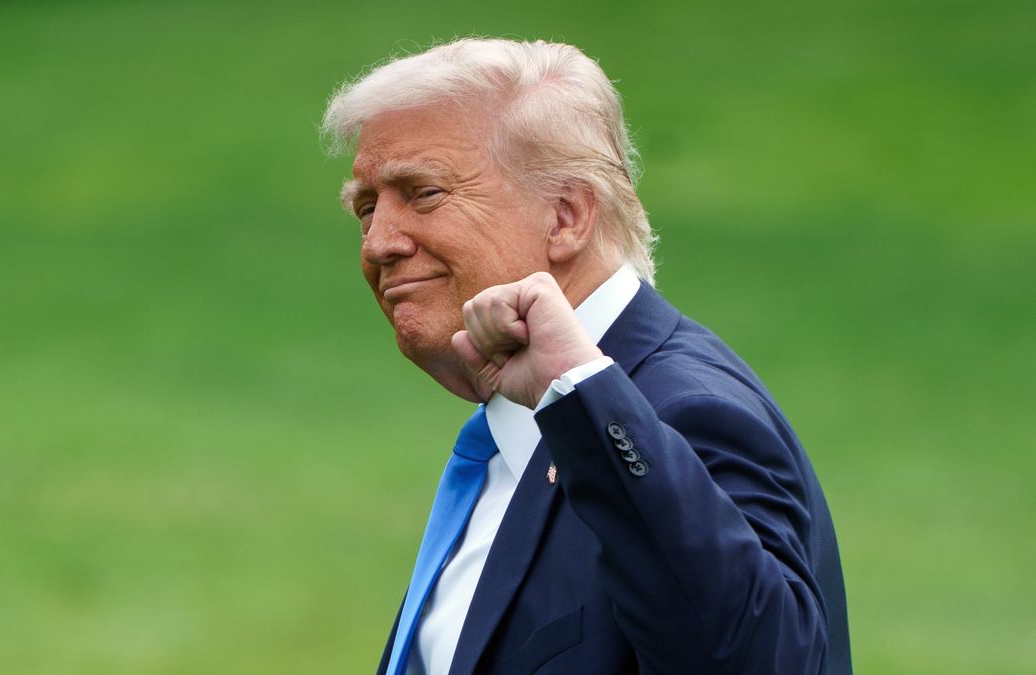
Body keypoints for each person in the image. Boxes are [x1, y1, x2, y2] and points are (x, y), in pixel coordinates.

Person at [322, 38, 851, 675]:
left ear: (567, 216)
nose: (379, 243)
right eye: (367, 207)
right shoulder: (516, 426)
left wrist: (583, 392)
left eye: (425, 193)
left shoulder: (685, 412)